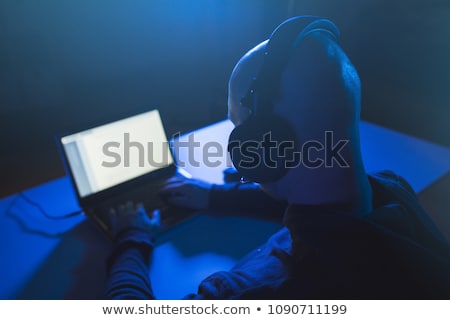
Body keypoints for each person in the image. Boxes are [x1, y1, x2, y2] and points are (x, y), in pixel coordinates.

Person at [105, 16, 450, 299]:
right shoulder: (393, 194)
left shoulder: (249, 292)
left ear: (265, 146)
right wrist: (212, 196)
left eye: (237, 127)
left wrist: (131, 238)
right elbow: (321, 210)